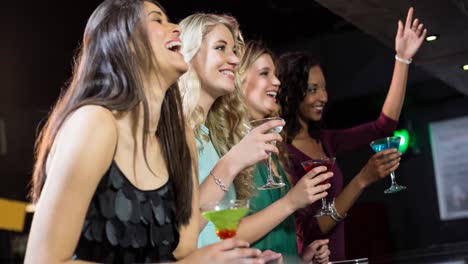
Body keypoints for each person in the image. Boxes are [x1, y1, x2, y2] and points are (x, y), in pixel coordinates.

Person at [24, 1, 266, 263]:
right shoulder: (95, 123)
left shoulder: (179, 136)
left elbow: (183, 252)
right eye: (157, 20)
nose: (175, 28)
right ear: (125, 42)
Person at [277, 7, 427, 261]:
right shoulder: (281, 152)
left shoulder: (325, 141)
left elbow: (383, 127)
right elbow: (310, 230)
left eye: (324, 88)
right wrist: (362, 180)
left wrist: (402, 59)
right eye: (312, 89)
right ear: (291, 93)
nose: (323, 97)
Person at [238, 40, 331, 264]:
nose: (277, 82)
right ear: (238, 81)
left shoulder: (272, 148)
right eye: (264, 73)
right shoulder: (231, 150)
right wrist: (291, 201)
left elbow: (275, 241)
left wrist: (300, 259)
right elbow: (230, 234)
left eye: (276, 74)